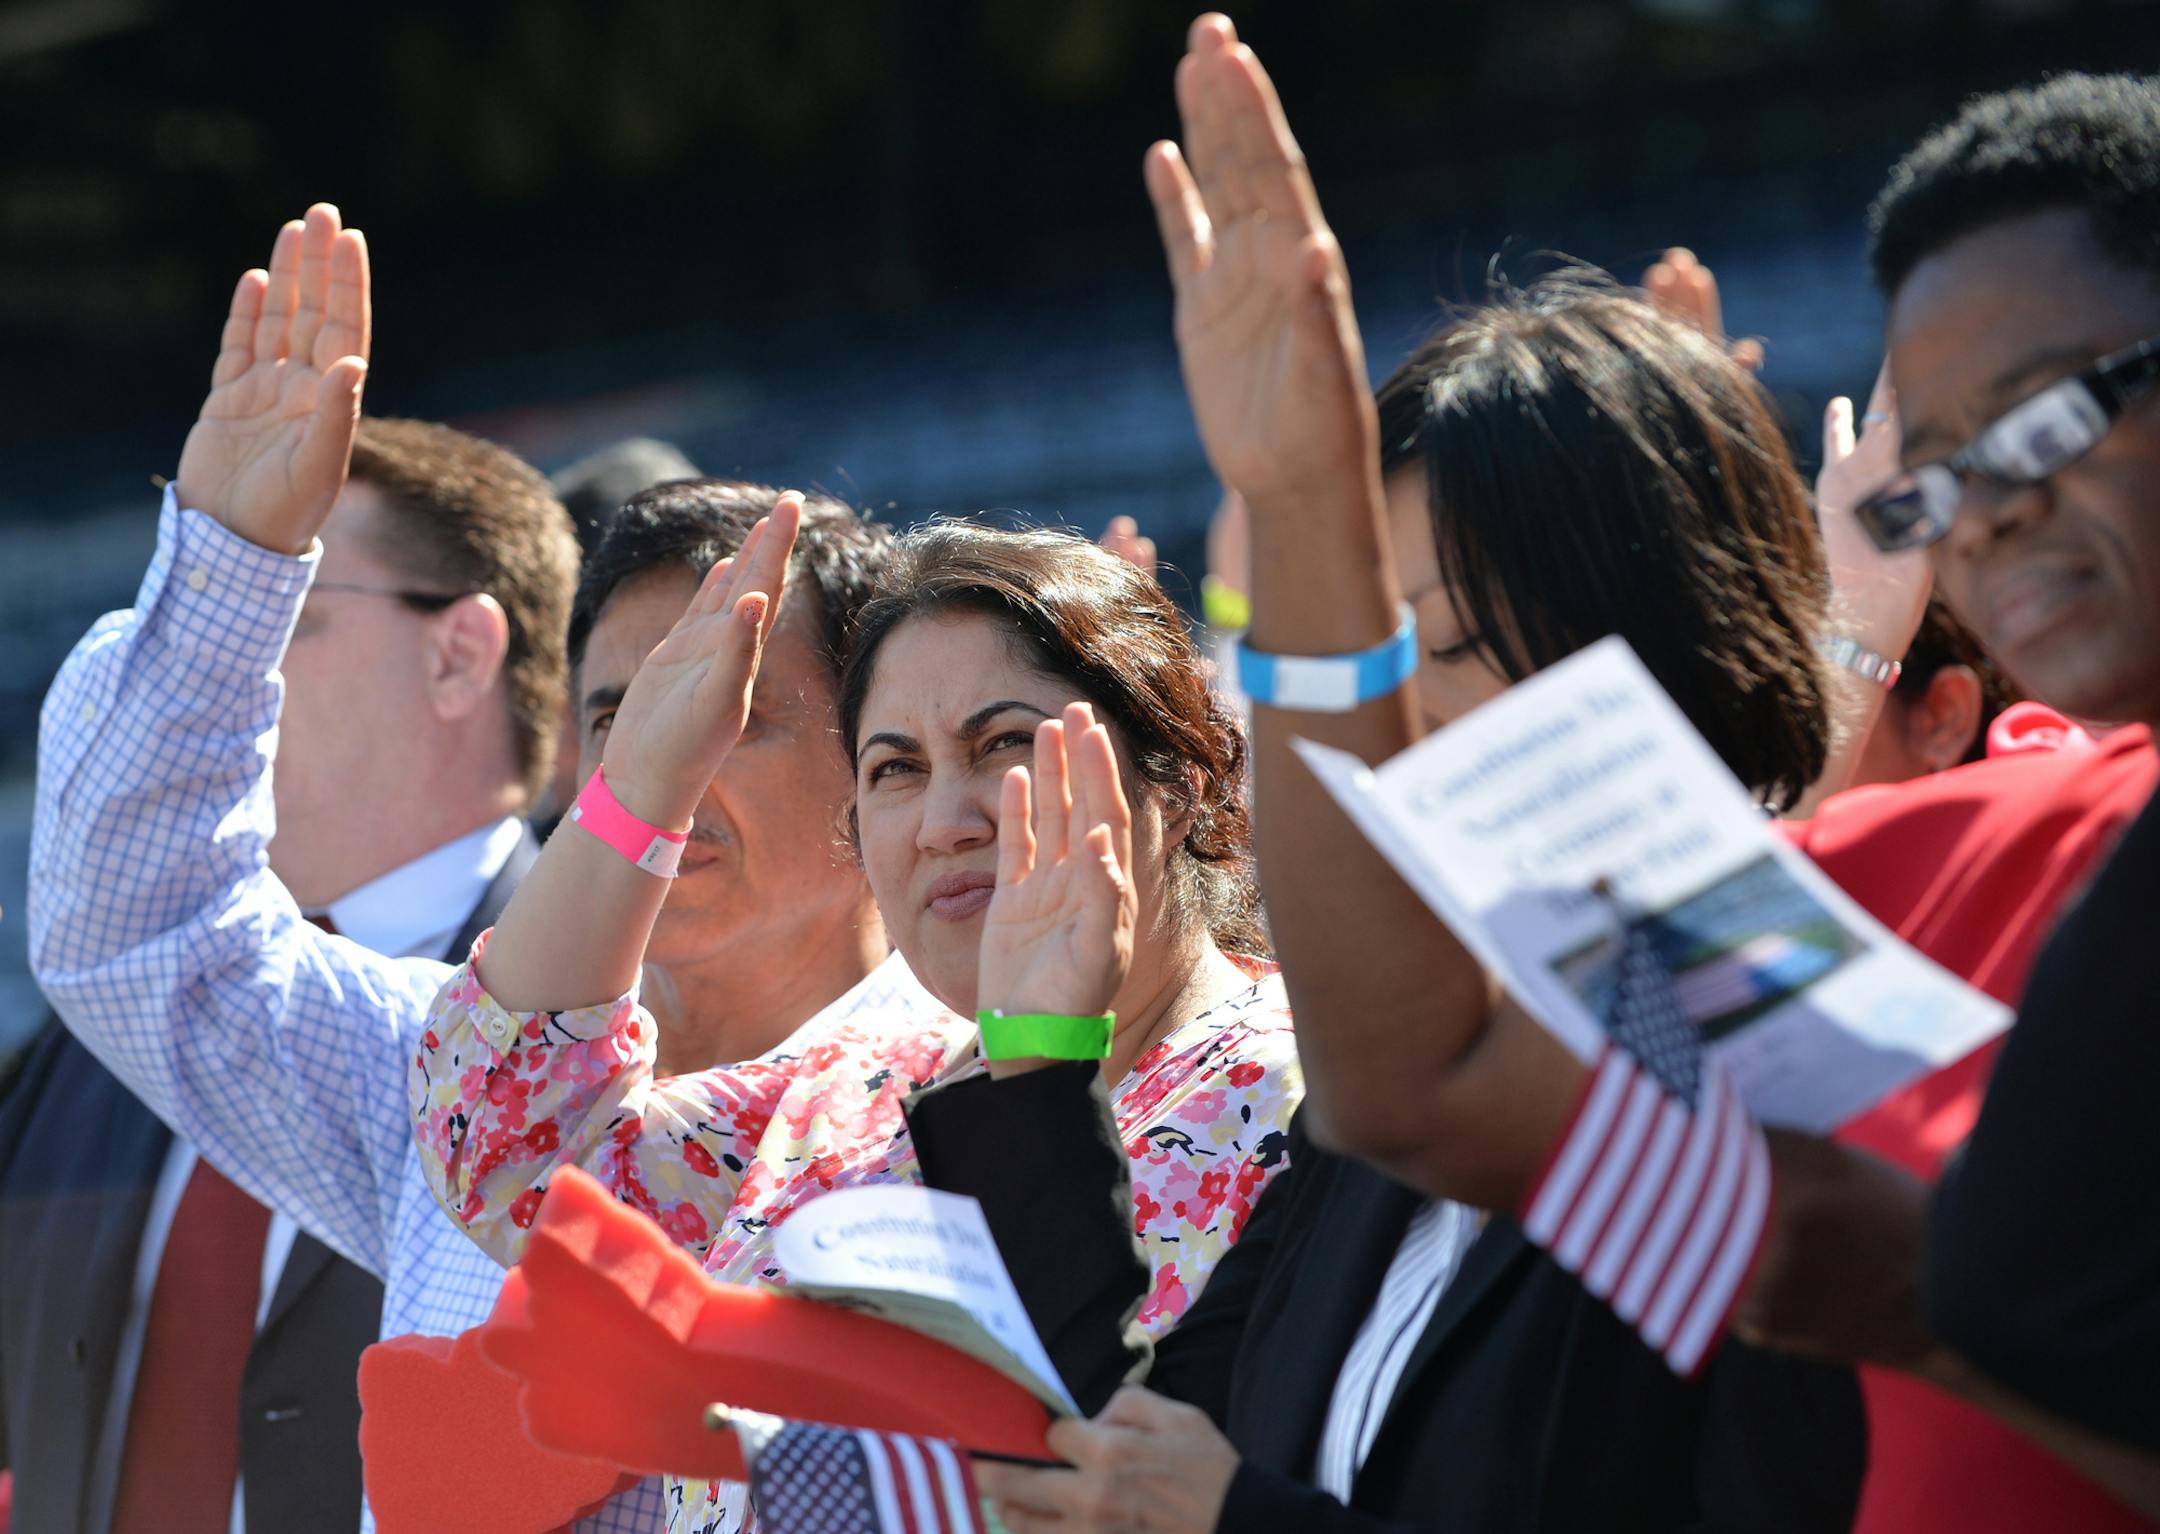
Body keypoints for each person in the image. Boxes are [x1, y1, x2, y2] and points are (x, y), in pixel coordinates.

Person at [945, 19, 1864, 1532]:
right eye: (1365, 654)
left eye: (1434, 646)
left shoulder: (1768, 1039)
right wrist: (1040, 1060)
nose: (1381, 725)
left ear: (1643, 623)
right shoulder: (1386, 1090)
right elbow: (1120, 1447)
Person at [22, 207, 922, 1534]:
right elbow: (143, 931)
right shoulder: (445, 1084)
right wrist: (230, 564)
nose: (660, 756)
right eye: (617, 714)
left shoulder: (999, 1100)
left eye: (727, 705)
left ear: (876, 770)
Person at [410, 508, 1301, 1533]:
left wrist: (1039, 1058)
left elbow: (1105, 1475)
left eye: (1004, 742)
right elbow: (508, 1142)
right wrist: (640, 787)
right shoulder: (857, 1087)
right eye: (895, 769)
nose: (943, 821)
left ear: (1179, 782)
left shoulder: (1293, 1090)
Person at [9, 203, 581, 1534]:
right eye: (241, 602)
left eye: (295, 611)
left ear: (460, 653)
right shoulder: (89, 1033)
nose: (235, 662)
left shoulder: (616, 1018)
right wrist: (223, 560)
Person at [1742, 71, 2160, 1517]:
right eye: (1934, 478)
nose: (1989, 510)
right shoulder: (2103, 840)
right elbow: (1429, 1086)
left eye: (2042, 423)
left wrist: (1922, 1310)